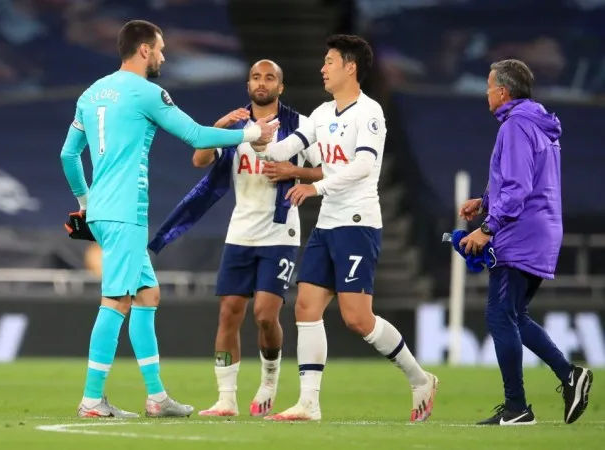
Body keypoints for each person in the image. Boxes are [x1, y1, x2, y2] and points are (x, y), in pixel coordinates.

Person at [60, 19, 277, 418]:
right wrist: (251, 135)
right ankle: (92, 399)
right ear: (144, 50)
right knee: (116, 300)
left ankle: (157, 398)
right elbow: (195, 136)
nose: (162, 56)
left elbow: (68, 155)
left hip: (106, 210)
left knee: (147, 295)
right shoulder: (147, 92)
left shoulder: (91, 94)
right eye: (159, 49)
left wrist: (85, 202)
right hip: (125, 211)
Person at [250, 34, 438, 422]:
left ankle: (420, 378)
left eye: (329, 62)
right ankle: (309, 403)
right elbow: (289, 148)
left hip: (357, 223)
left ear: (350, 67)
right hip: (327, 223)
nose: (322, 68)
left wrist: (315, 186)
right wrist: (259, 140)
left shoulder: (368, 113)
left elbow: (363, 166)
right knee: (305, 306)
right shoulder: (322, 113)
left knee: (357, 318)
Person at [459, 59, 593, 426]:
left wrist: (487, 228)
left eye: (489, 86)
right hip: (542, 228)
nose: (486, 92)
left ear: (503, 91)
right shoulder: (537, 122)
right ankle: (569, 376)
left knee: (499, 315)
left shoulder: (516, 126)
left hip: (521, 232)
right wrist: (485, 201)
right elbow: (521, 178)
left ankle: (517, 407)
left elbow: (517, 189)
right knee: (515, 314)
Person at [188, 60, 323, 417]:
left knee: (265, 315)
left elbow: (326, 171)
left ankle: (269, 378)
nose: (261, 83)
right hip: (240, 231)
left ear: (281, 86)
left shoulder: (301, 126)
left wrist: (295, 172)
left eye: (270, 78)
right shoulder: (236, 125)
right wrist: (217, 127)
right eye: (255, 77)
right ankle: (226, 398)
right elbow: (199, 160)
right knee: (229, 313)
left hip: (281, 231)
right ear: (248, 84)